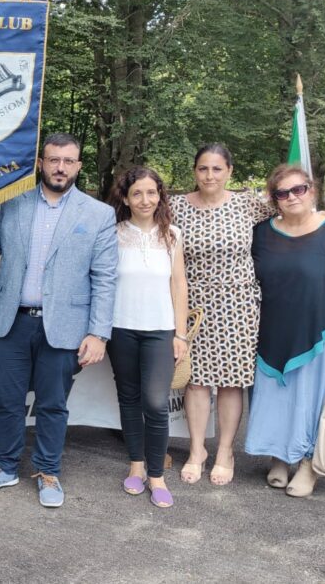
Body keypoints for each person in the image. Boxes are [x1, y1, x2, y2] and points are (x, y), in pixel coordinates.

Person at [0, 133, 117, 508]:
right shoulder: (13, 203)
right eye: (53, 159)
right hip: (11, 322)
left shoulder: (98, 214)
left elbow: (105, 279)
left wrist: (98, 333)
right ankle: (5, 466)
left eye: (69, 161)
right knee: (7, 400)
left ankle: (48, 471)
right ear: (41, 163)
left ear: (78, 166)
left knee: (52, 403)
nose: (60, 167)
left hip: (64, 326)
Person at [244, 165, 325, 497]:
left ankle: (308, 465)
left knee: (310, 403)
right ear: (274, 199)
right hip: (271, 333)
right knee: (275, 400)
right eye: (282, 193)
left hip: (321, 333)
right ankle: (280, 458)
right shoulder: (261, 233)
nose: (291, 197)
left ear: (310, 190)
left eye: (298, 189)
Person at [168, 144, 275, 486]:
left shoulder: (248, 202)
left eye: (217, 169)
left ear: (229, 170)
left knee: (231, 382)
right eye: (203, 169)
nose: (209, 175)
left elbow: (294, 207)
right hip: (192, 305)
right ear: (194, 171)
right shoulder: (176, 207)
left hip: (239, 304)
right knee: (195, 380)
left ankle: (226, 450)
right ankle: (197, 449)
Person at [106, 167, 188, 509]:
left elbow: (179, 285)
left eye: (151, 192)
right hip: (121, 328)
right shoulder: (112, 234)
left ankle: (157, 475)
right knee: (129, 400)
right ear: (126, 198)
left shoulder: (172, 235)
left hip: (160, 331)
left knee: (155, 404)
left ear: (160, 196)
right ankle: (136, 466)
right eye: (137, 193)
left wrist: (180, 333)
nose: (145, 199)